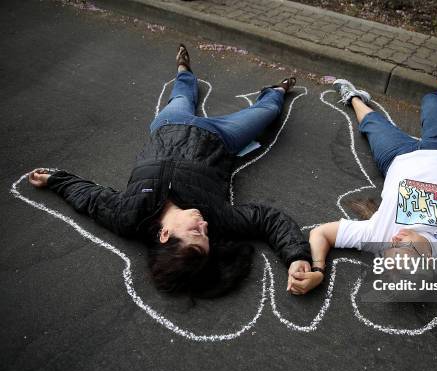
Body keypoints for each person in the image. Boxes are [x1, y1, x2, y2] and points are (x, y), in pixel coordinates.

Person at [29, 44, 311, 298]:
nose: (205, 226)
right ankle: (276, 90)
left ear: (165, 235)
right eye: (206, 235)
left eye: (196, 232)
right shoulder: (218, 217)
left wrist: (56, 180)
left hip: (169, 126)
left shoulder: (128, 216)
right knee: (268, 113)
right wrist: (296, 256)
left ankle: (184, 70)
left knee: (180, 97)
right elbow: (267, 219)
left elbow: (90, 198)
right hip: (220, 136)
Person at [287, 79, 437, 295]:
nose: (395, 239)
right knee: (433, 99)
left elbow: (321, 233)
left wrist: (317, 270)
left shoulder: (379, 237)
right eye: (404, 246)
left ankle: (354, 97)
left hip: (397, 157)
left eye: (388, 251)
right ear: (429, 261)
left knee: (371, 124)